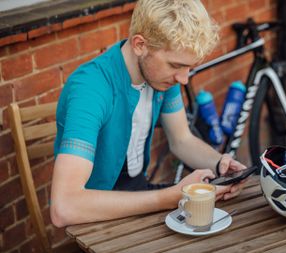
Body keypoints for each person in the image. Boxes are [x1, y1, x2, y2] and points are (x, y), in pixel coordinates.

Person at [50, 0, 247, 227]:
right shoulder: (91, 87)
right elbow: (64, 207)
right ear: (140, 45)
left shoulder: (160, 75)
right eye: (175, 66)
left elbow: (182, 140)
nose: (184, 79)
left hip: (139, 193)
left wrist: (220, 164)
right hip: (93, 218)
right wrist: (168, 197)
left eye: (189, 68)